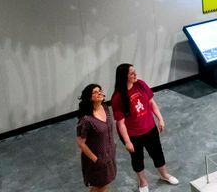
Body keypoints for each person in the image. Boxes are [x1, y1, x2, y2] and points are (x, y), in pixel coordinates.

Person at [111, 64, 179, 192]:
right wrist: (127, 141)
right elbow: (120, 123)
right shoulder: (117, 97)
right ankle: (142, 181)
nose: (135, 75)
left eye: (135, 72)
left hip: (149, 128)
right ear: (124, 77)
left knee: (157, 152)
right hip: (132, 134)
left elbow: (152, 103)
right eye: (132, 73)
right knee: (137, 158)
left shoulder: (141, 84)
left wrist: (160, 119)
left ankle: (164, 174)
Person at [76, 84, 117, 192]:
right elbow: (80, 143)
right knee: (101, 187)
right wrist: (96, 160)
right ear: (89, 98)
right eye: (95, 92)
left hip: (108, 155)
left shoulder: (105, 108)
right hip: (97, 159)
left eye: (100, 90)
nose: (99, 93)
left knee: (102, 186)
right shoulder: (86, 120)